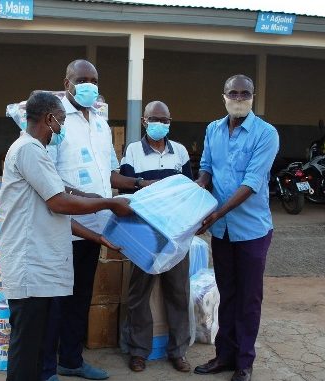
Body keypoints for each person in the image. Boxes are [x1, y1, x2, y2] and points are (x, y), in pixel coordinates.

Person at [0, 91, 133, 381]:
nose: (60, 129)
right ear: (49, 119)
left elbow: (57, 213)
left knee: (36, 349)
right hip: (29, 266)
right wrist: (109, 203)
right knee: (26, 350)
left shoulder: (36, 151)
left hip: (40, 266)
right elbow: (58, 202)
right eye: (60, 122)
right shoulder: (29, 150)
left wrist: (97, 238)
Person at [42, 59, 154, 381]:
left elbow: (109, 175)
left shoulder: (101, 125)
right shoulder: (56, 120)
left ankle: (72, 361)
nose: (89, 84)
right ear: (67, 83)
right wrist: (101, 201)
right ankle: (48, 365)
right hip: (64, 226)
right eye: (82, 79)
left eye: (94, 79)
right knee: (56, 299)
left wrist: (140, 187)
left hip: (96, 228)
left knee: (81, 298)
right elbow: (47, 178)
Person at [193, 74, 279, 381]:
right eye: (234, 93)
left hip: (252, 230)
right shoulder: (213, 129)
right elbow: (206, 167)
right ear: (224, 95)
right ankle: (224, 356)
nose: (239, 98)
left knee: (248, 298)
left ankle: (244, 361)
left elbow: (252, 183)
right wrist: (199, 186)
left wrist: (216, 213)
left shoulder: (266, 134)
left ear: (253, 97)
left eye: (245, 93)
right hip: (223, 232)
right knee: (227, 294)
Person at [119, 101, 193, 373]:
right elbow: (127, 191)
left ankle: (178, 351)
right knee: (139, 294)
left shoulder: (180, 152)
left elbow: (188, 190)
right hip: (146, 232)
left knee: (178, 292)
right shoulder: (133, 151)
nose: (159, 123)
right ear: (144, 120)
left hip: (175, 233)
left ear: (170, 121)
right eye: (154, 119)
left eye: (164, 119)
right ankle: (139, 352)